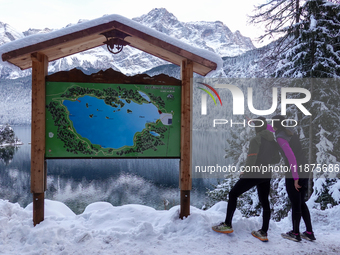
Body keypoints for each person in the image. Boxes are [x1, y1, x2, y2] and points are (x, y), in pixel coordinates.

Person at [212, 117, 280, 242]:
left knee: (233, 194)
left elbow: (251, 158)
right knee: (265, 201)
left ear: (257, 128)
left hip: (255, 173)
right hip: (266, 173)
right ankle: (264, 232)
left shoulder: (256, 139)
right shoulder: (273, 141)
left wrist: (246, 172)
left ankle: (227, 224)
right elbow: (276, 159)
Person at [271, 115, 316, 242]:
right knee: (301, 202)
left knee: (296, 202)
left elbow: (291, 158)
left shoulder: (281, 138)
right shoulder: (288, 132)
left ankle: (295, 233)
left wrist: (295, 178)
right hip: (304, 169)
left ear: (276, 124)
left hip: (295, 171)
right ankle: (309, 232)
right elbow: (272, 128)